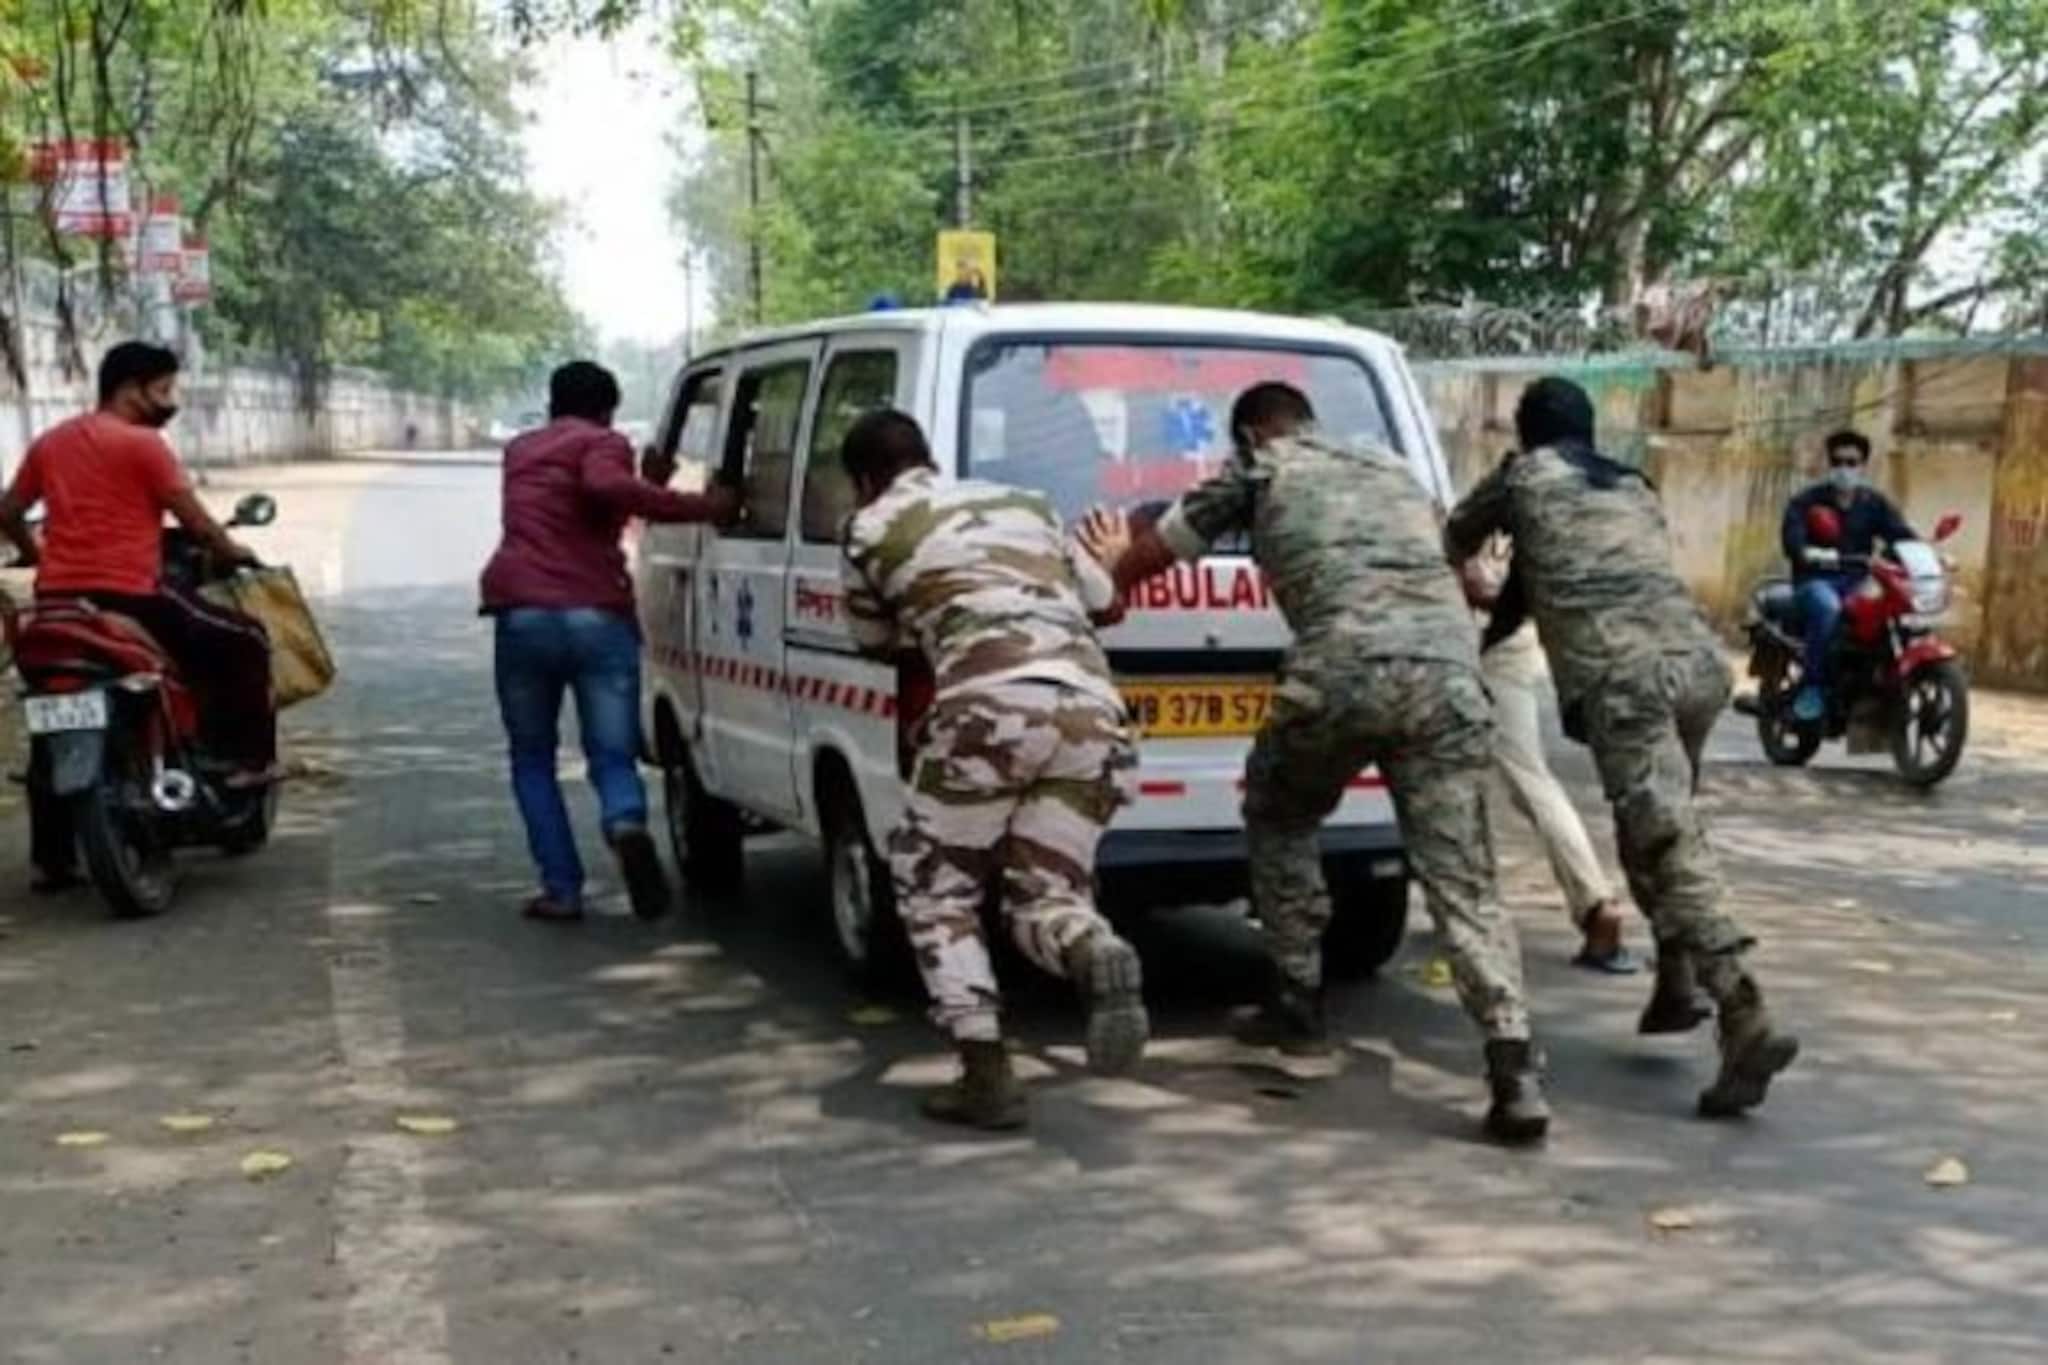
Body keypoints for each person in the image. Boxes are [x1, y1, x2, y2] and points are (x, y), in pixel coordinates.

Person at [1081, 382, 1550, 1145]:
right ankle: (1512, 1060)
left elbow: (1140, 567)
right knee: (1464, 877)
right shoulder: (1396, 471)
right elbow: (1467, 577)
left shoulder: (1259, 470)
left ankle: (1298, 1000)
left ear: (1247, 436)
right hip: (1447, 682)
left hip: (1337, 678)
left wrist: (1108, 560)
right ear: (1311, 421)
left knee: (1277, 809)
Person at [1446, 376, 1799, 1119]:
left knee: (1667, 838)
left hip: (1626, 678)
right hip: (1697, 667)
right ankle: (1675, 986)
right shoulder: (1631, 484)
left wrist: (1469, 620)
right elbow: (1536, 586)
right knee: (1659, 829)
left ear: (1525, 433)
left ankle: (1744, 1008)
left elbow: (1453, 540)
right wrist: (1499, 630)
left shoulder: (1522, 476)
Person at [839, 409, 1147, 1132]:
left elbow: (873, 639)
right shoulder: (1028, 503)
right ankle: (1089, 943)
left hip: (987, 712)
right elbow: (1108, 605)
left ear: (861, 479)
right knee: (1045, 890)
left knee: (933, 885)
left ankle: (985, 1071)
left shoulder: (867, 527)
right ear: (930, 459)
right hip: (1093, 713)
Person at [0, 341, 274, 892]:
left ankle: (51, 860)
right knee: (247, 638)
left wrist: (35, 553)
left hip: (57, 602)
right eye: (165, 390)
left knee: (51, 719)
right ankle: (249, 763)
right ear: (132, 389)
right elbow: (195, 523)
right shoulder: (143, 445)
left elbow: (8, 511)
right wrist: (230, 550)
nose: (171, 401)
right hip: (131, 595)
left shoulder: (53, 442)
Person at [479, 361, 737, 923]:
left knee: (531, 759)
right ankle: (624, 822)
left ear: (552, 403)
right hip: (596, 616)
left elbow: (587, 503)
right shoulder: (602, 442)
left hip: (522, 616)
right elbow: (601, 489)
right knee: (611, 753)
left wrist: (649, 482)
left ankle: (561, 890)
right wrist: (702, 506)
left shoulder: (520, 451)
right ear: (606, 410)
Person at [1461, 533, 1636, 973]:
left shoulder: (1467, 501)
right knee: (1513, 776)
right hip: (1509, 640)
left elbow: (1476, 583)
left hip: (1474, 640)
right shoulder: (1545, 505)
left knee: (1493, 776)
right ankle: (1592, 902)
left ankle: (1596, 905)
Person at [1780, 429, 1917, 723]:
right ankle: (1812, 687)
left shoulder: (1874, 503)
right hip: (1816, 582)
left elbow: (1901, 536)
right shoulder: (1806, 502)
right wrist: (1809, 552)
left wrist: (1927, 553)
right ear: (1829, 464)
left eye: (1852, 462)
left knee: (1896, 608)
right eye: (1838, 461)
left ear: (1863, 465)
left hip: (1859, 582)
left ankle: (1879, 683)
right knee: (1827, 608)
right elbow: (1793, 541)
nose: (1845, 468)